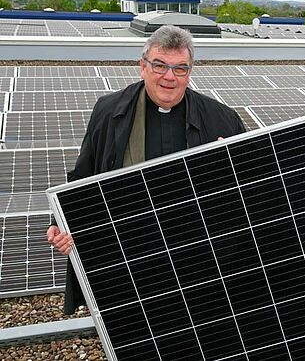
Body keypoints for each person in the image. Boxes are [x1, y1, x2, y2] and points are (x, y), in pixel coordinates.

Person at [47, 25, 246, 314]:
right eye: (160, 65)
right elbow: (83, 175)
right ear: (142, 67)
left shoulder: (223, 121)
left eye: (180, 69)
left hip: (196, 258)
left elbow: (249, 185)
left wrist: (226, 164)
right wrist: (61, 223)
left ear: (189, 73)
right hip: (129, 253)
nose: (169, 76)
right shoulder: (109, 111)